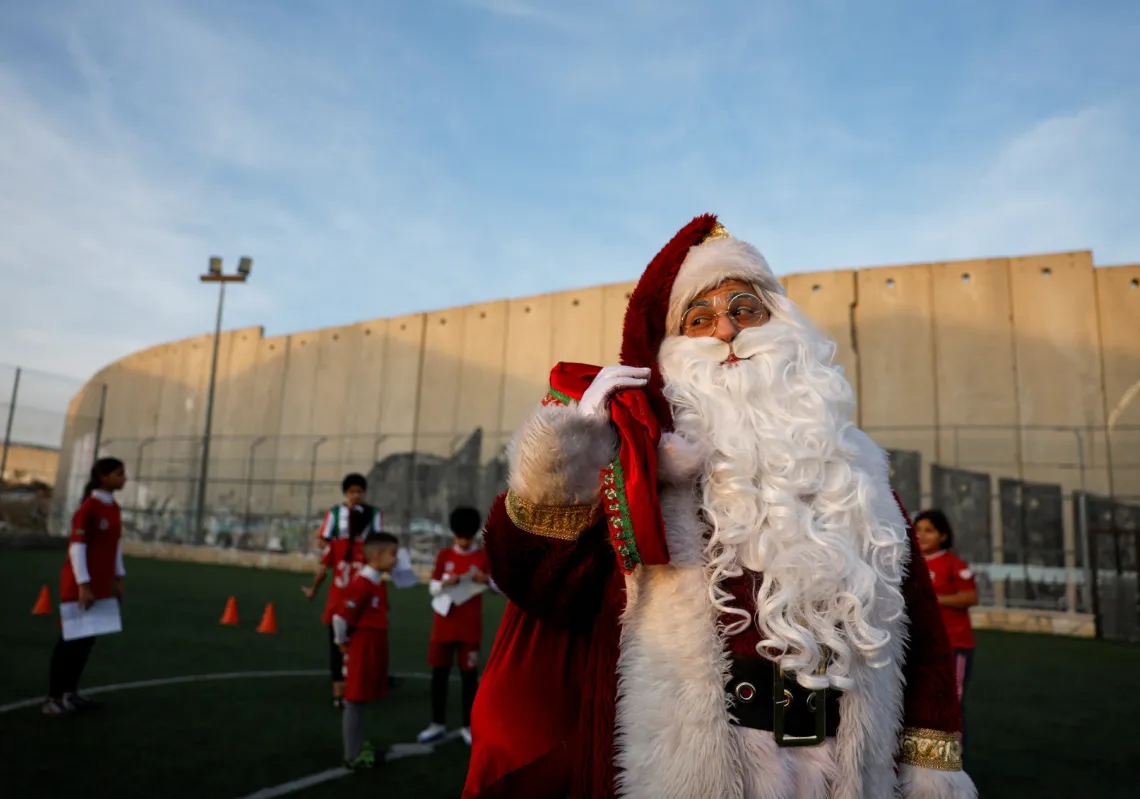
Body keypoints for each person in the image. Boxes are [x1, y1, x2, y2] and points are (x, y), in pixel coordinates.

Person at [464, 215, 977, 798]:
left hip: (844, 767)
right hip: (696, 763)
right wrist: (570, 464)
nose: (727, 330)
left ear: (781, 325)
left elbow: (924, 634)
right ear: (673, 350)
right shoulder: (644, 477)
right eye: (699, 320)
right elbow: (535, 582)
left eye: (745, 310)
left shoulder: (857, 474)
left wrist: (932, 766)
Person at [43, 457, 127, 716]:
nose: (124, 478)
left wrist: (119, 577)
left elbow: (115, 545)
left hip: (101, 584)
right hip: (81, 585)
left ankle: (71, 694)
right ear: (103, 477)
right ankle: (52, 699)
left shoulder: (113, 507)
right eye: (119, 474)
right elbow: (77, 547)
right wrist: (83, 584)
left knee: (86, 641)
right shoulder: (89, 507)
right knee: (70, 641)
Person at [302, 473, 383, 709]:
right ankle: (356, 688)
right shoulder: (340, 520)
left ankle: (341, 692)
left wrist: (313, 590)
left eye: (360, 492)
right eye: (352, 492)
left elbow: (322, 557)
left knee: (339, 645)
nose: (356, 496)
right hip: (360, 597)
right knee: (357, 643)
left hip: (340, 599)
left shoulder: (341, 542)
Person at [417, 506, 491, 747]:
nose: (463, 541)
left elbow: (500, 587)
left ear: (474, 535)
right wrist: (444, 583)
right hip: (444, 624)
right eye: (460, 537)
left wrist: (487, 581)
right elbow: (432, 588)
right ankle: (436, 723)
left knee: (469, 678)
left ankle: (468, 726)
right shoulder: (444, 556)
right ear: (453, 533)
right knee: (439, 675)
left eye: (468, 538)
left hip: (469, 627)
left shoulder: (482, 557)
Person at [332, 530, 400, 769]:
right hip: (362, 645)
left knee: (362, 699)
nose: (396, 560)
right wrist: (342, 643)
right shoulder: (361, 584)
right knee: (354, 699)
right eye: (393, 554)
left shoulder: (377, 581)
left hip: (375, 644)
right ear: (377, 555)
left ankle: (358, 746)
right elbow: (340, 618)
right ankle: (352, 755)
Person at [915, 509, 979, 753]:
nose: (921, 535)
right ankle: (924, 753)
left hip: (954, 644)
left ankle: (953, 753)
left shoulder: (954, 564)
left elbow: (970, 596)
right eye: (918, 529)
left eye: (928, 530)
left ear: (943, 535)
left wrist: (934, 598)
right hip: (921, 645)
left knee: (951, 697)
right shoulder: (910, 563)